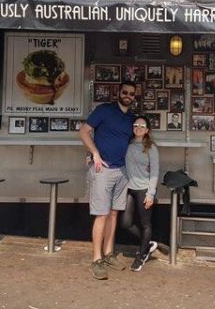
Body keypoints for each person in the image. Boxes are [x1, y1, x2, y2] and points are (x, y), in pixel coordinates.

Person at [79, 81, 136, 280]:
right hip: (102, 169)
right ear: (118, 93)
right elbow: (83, 131)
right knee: (101, 214)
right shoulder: (104, 110)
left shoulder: (131, 118)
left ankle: (109, 253)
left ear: (134, 97)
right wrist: (94, 153)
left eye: (131, 93)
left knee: (113, 213)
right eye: (125, 92)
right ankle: (96, 259)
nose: (128, 95)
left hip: (122, 171)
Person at [120, 115, 160, 272]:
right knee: (126, 223)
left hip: (144, 189)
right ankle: (148, 243)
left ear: (147, 130)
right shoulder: (127, 144)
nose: (138, 127)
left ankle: (142, 255)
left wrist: (151, 193)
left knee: (145, 224)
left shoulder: (151, 148)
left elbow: (155, 171)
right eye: (136, 125)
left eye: (142, 126)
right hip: (129, 188)